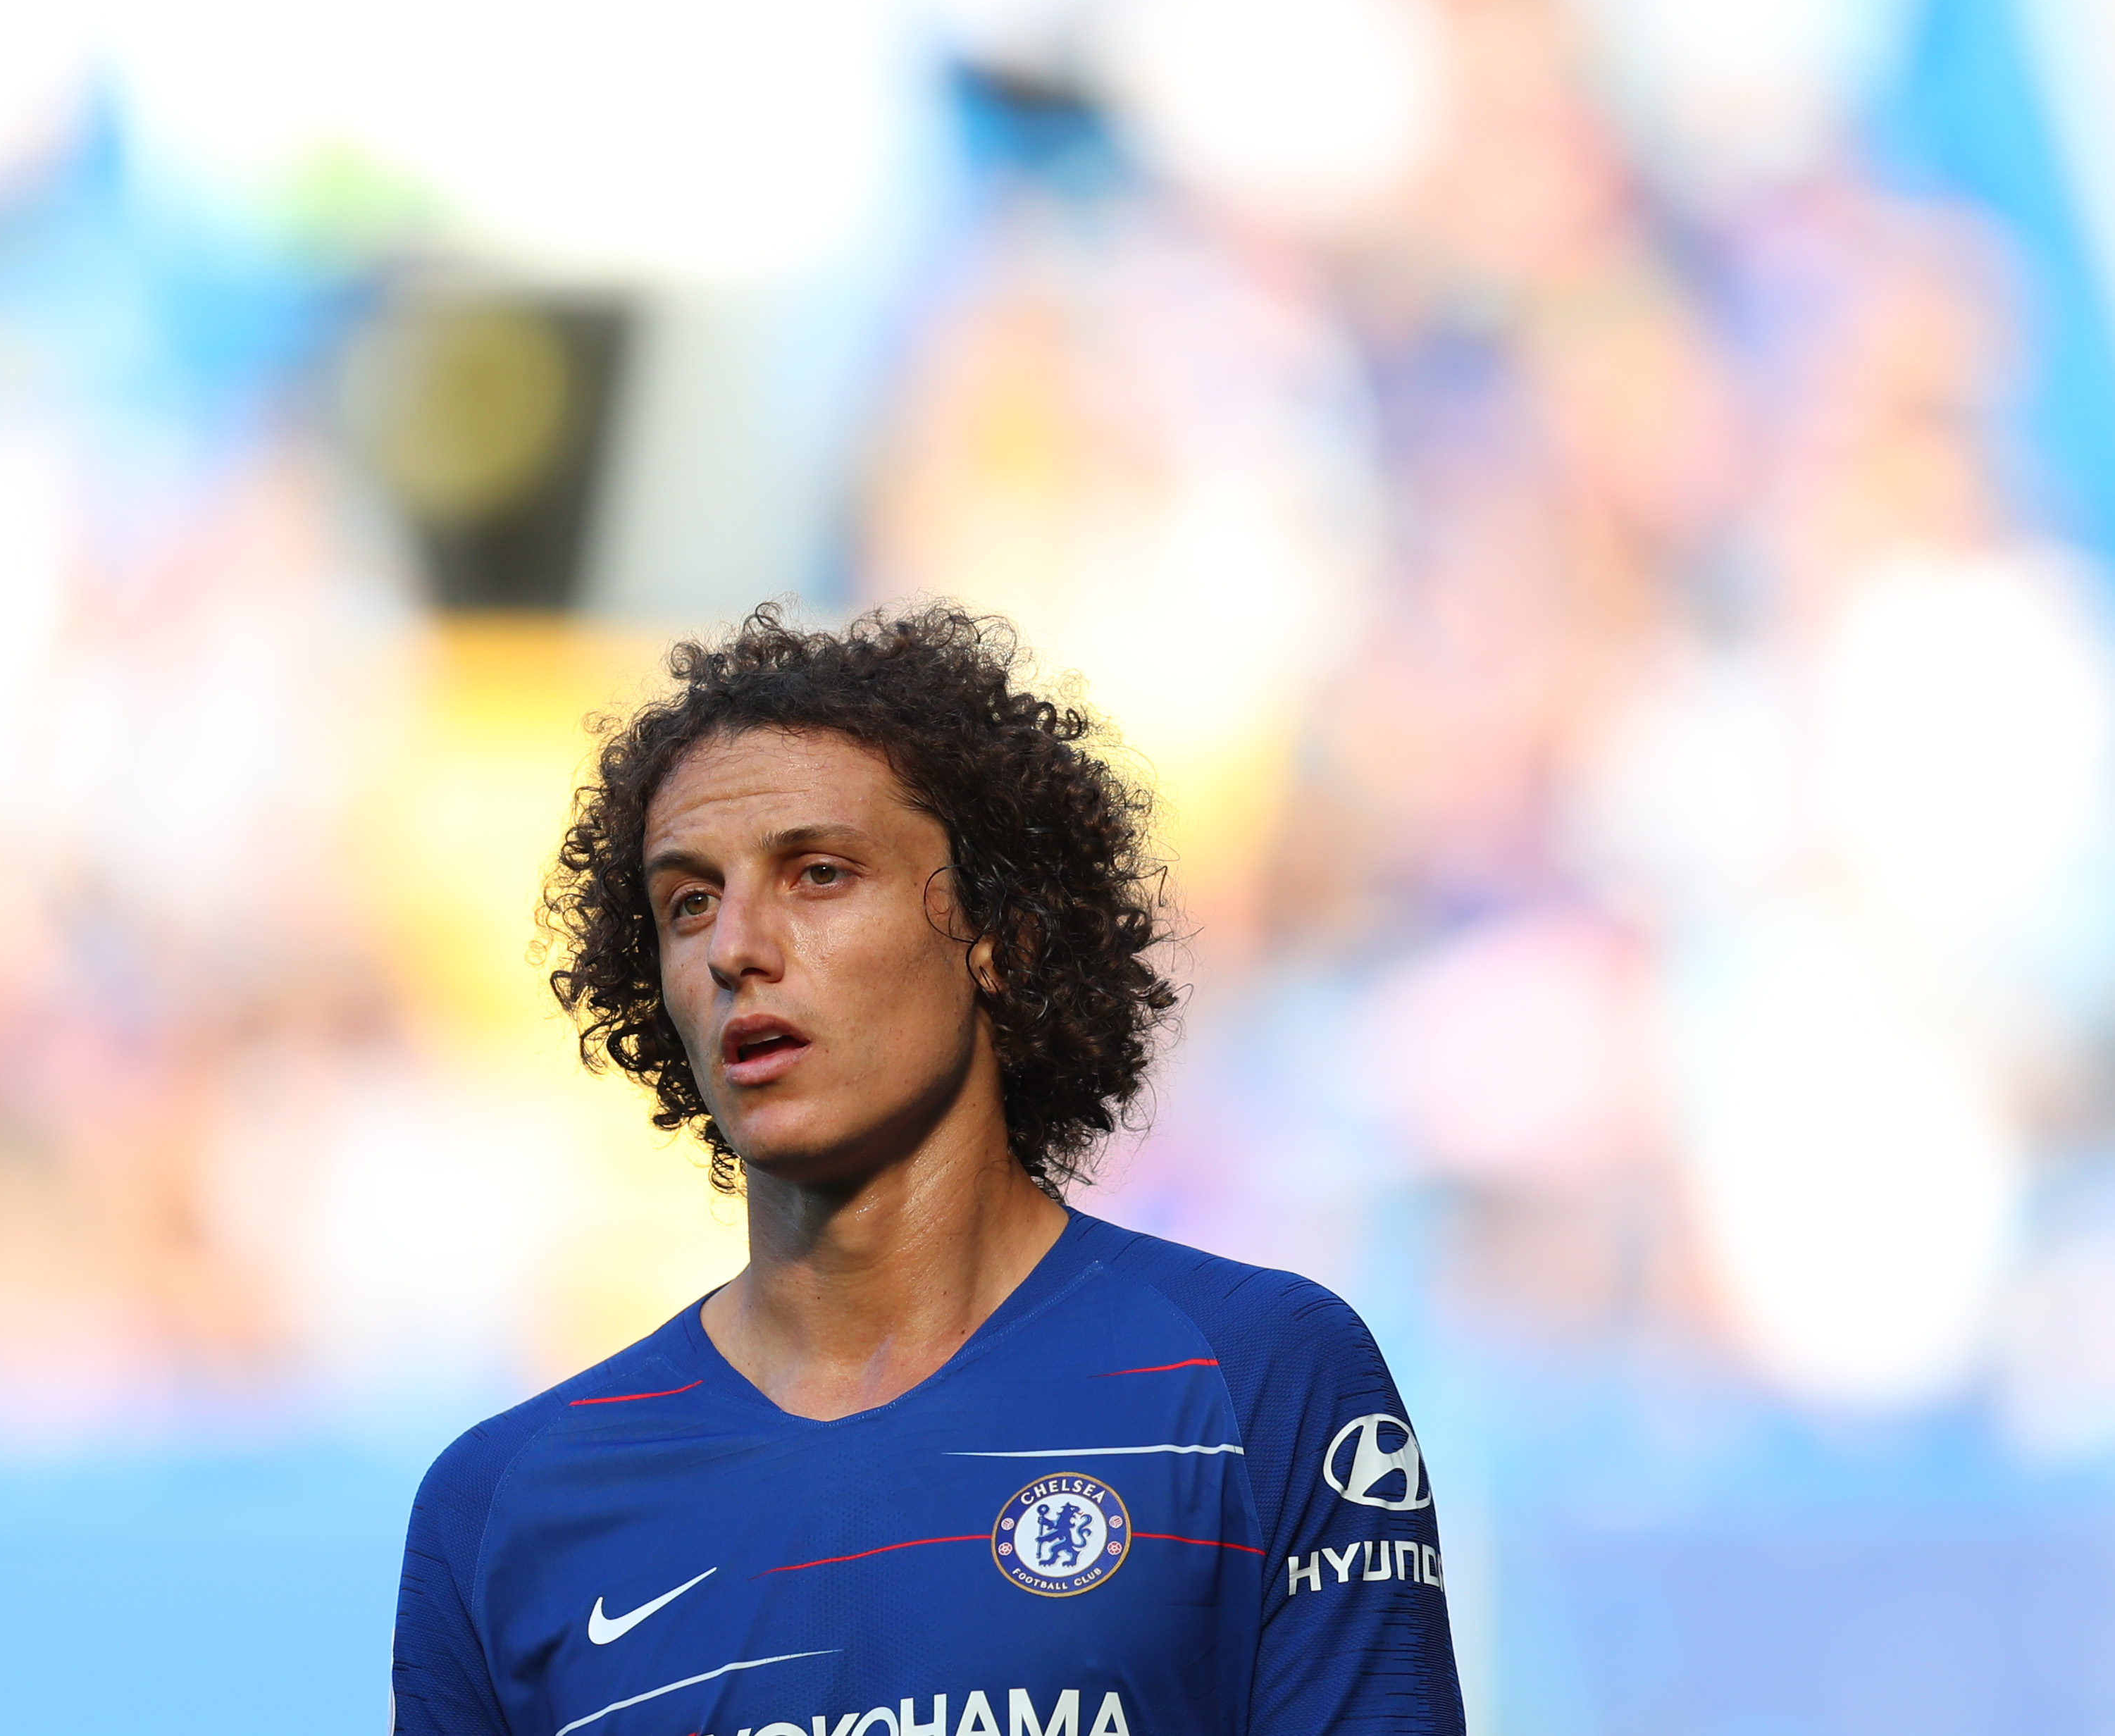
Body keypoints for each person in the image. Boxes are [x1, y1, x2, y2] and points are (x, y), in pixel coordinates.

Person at [391, 604, 1463, 1736]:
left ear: (1000, 933)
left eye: (818, 873)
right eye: (688, 901)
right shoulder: (500, 1507)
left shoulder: (1262, 1378)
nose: (735, 946)